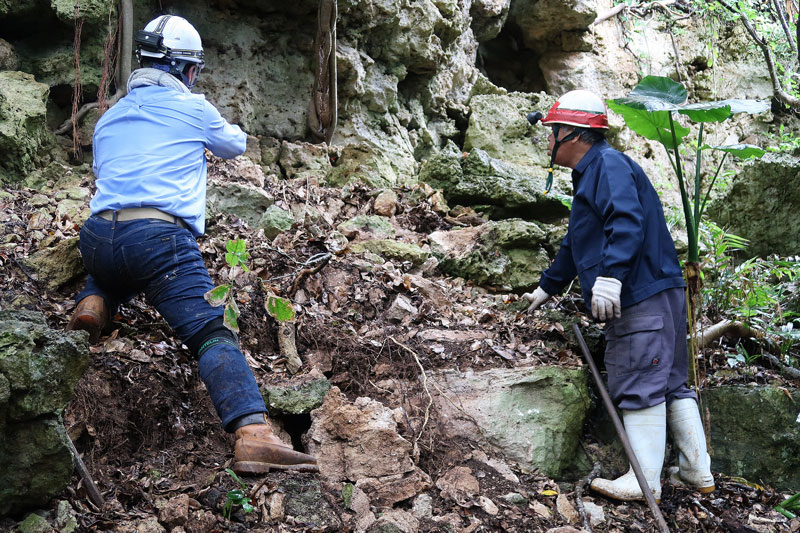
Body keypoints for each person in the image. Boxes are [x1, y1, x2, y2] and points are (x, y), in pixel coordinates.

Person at [66, 14, 317, 475]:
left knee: (116, 258)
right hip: (158, 239)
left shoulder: (109, 117)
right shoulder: (195, 108)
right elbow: (235, 145)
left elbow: (107, 176)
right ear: (186, 69)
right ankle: (253, 434)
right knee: (211, 331)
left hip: (97, 235)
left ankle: (95, 299)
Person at [523, 89, 714, 502]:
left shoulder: (606, 166)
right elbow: (577, 242)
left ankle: (643, 481)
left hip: (638, 294)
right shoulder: (596, 171)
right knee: (671, 382)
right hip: (660, 289)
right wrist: (548, 285)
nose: (548, 137)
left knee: (639, 377)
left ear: (571, 133)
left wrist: (610, 279)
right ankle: (696, 471)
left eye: (552, 129)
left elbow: (626, 221)